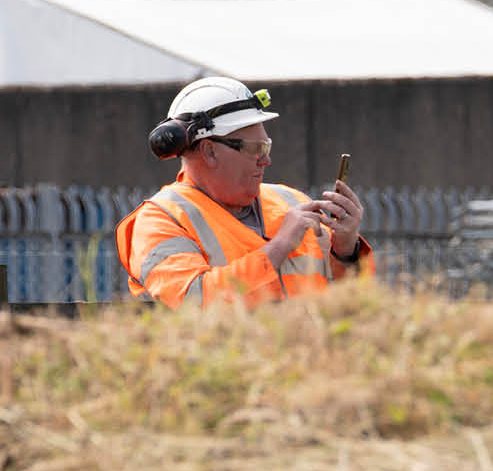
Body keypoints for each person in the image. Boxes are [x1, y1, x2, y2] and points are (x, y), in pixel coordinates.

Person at [117, 76, 371, 307]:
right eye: (255, 149)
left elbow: (350, 304)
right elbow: (193, 305)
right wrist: (279, 246)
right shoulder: (160, 221)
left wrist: (346, 251)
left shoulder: (291, 201)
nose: (265, 160)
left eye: (266, 147)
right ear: (209, 151)